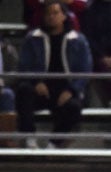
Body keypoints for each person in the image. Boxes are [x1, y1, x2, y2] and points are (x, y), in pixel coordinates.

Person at [16, 0, 92, 149]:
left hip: (65, 90)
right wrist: (36, 81)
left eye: (55, 13)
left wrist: (71, 90)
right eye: (48, 13)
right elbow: (24, 65)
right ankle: (29, 137)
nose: (51, 17)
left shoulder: (78, 40)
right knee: (24, 90)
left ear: (64, 16)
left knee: (74, 107)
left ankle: (54, 143)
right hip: (40, 89)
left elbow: (85, 69)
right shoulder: (33, 38)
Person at [0, 34, 18, 147]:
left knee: (8, 94)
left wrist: (2, 82)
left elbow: (15, 72)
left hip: (1, 88)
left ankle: (6, 140)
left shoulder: (8, 49)